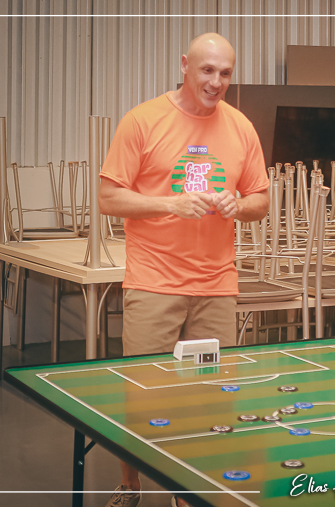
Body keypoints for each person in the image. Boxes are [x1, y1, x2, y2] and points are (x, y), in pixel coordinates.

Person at [98, 33, 270, 507]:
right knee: (143, 395)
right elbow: (108, 197)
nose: (216, 82)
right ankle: (130, 485)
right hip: (154, 282)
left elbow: (260, 200)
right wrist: (169, 204)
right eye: (207, 70)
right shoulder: (143, 120)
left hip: (216, 285)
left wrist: (239, 205)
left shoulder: (241, 128)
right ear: (184, 66)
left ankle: (189, 492)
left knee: (211, 397)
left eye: (225, 73)